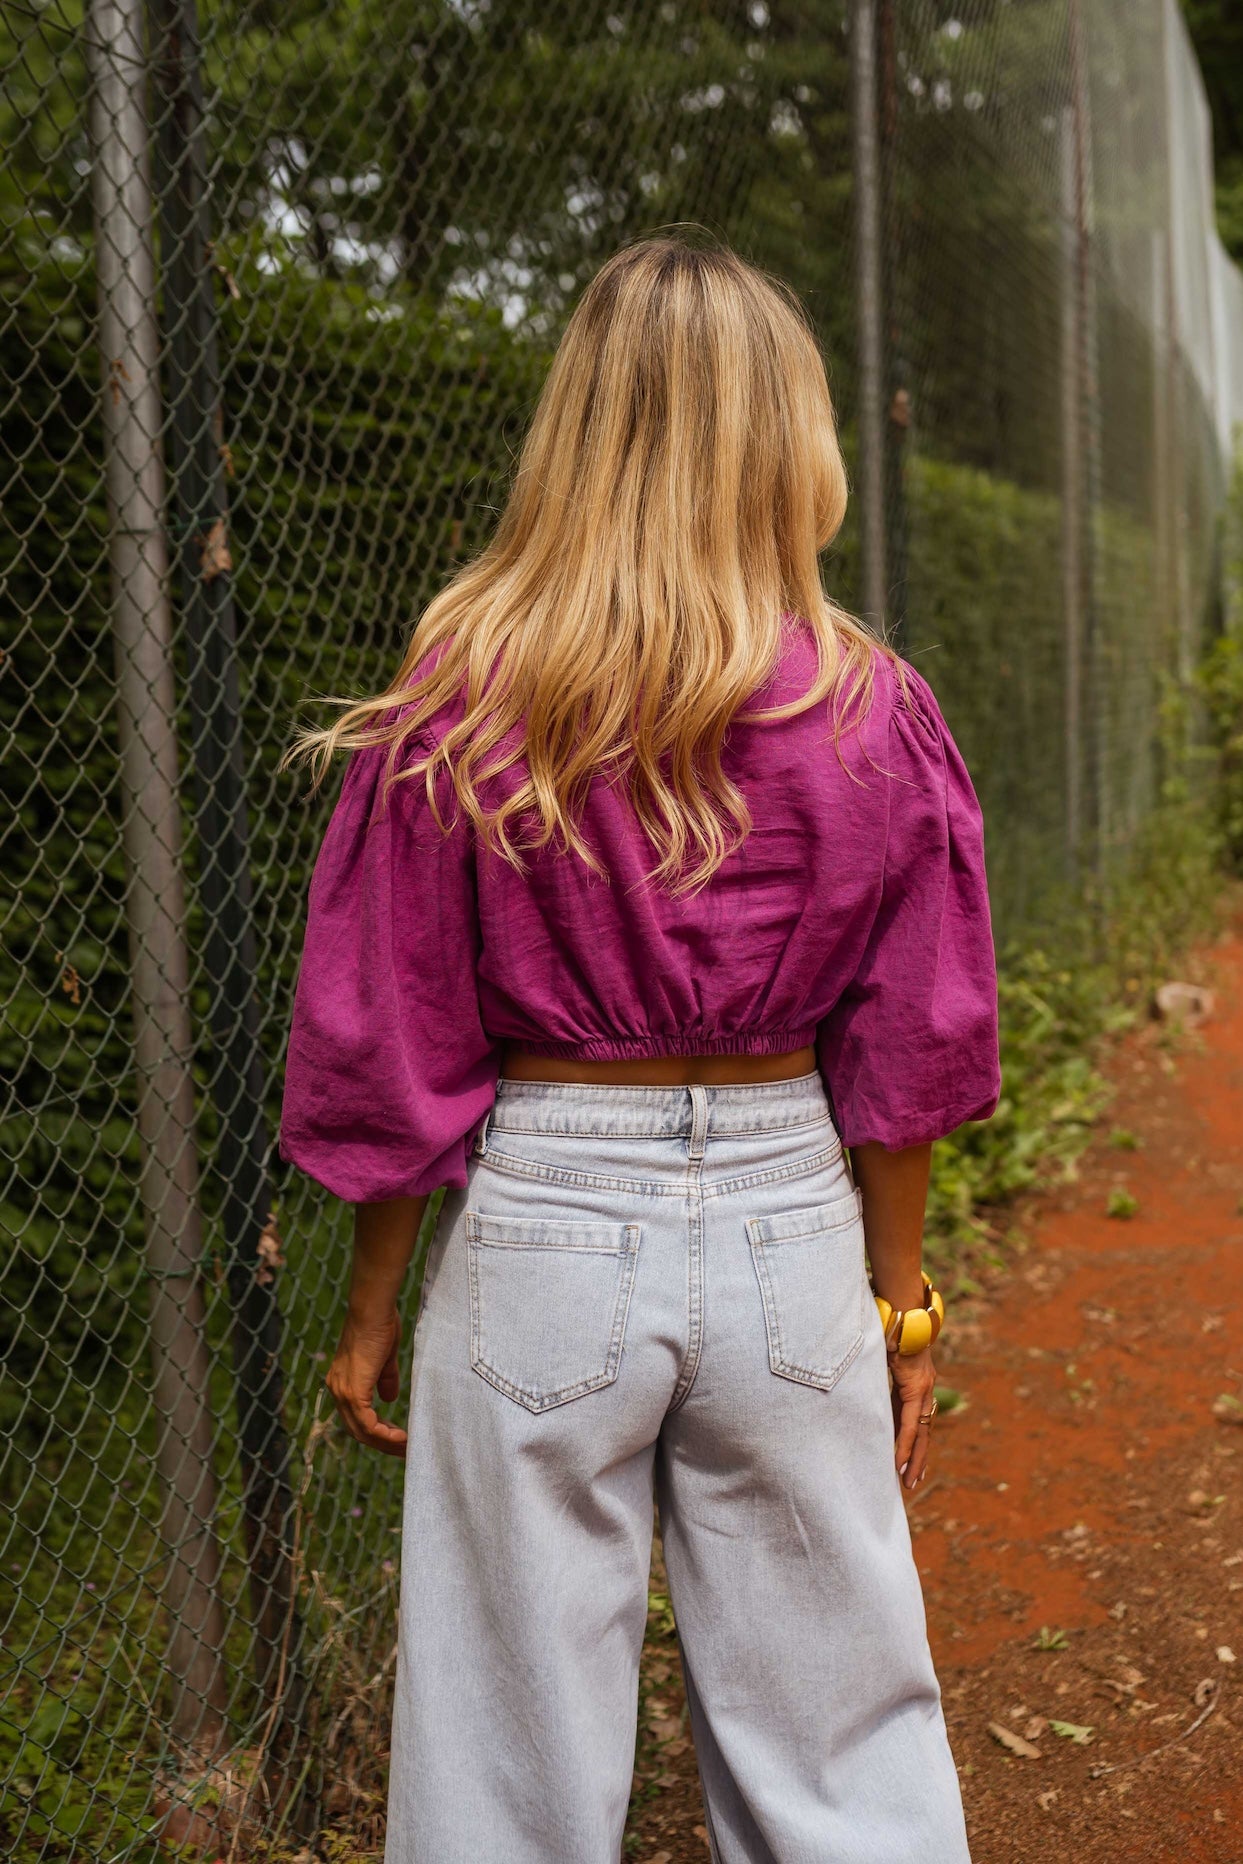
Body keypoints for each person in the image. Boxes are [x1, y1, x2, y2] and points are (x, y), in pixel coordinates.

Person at [279, 232, 1000, 1864]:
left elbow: (392, 1035)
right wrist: (903, 1299)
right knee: (842, 1736)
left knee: (497, 1755)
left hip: (539, 1218)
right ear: (789, 439)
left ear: (578, 429)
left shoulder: (467, 686)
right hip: (789, 1220)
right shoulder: (874, 709)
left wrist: (373, 1309)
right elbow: (913, 1042)